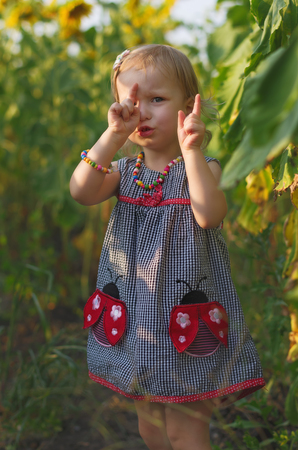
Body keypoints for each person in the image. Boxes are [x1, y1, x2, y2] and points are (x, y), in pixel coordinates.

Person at [70, 44, 265, 450]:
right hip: (140, 327)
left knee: (185, 431)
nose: (141, 112)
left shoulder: (201, 168)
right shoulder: (124, 172)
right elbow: (81, 191)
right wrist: (111, 135)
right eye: (131, 102)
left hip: (184, 323)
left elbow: (210, 214)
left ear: (188, 104)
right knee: (151, 431)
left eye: (156, 100)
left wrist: (191, 150)